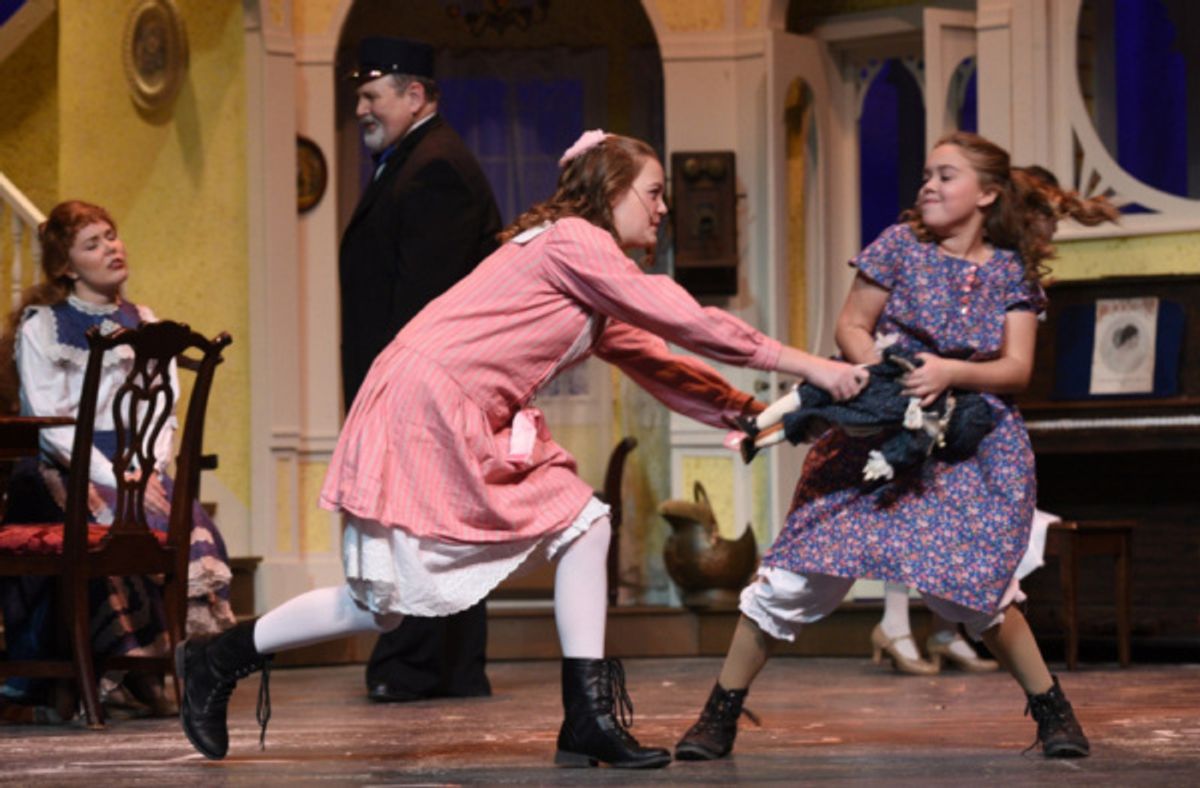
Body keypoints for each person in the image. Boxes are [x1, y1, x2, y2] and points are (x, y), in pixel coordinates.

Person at [174, 130, 867, 766]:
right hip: (428, 404)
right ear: (610, 188)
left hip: (451, 405)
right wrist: (812, 367)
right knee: (406, 592)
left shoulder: (589, 276)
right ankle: (216, 659)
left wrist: (754, 413)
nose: (663, 210)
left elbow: (660, 362)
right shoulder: (574, 240)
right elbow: (686, 318)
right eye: (653, 193)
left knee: (536, 541)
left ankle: (584, 717)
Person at [674, 132, 1119, 761]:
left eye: (947, 175)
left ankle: (1053, 713)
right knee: (794, 579)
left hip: (965, 445)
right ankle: (718, 715)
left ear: (988, 194)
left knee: (973, 592)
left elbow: (1016, 369)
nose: (929, 186)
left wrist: (947, 374)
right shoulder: (899, 246)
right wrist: (880, 376)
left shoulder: (1008, 273)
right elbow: (851, 324)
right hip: (876, 438)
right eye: (926, 175)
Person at [0, 200, 236, 722]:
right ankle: (118, 668)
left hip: (137, 463)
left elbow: (164, 410)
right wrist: (113, 477)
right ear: (66, 266)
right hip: (65, 464)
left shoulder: (147, 322)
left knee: (175, 521)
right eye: (93, 243)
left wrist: (147, 470)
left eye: (112, 235)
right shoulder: (44, 326)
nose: (112, 247)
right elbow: (51, 421)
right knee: (105, 526)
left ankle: (152, 669)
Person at [340, 36, 502, 705]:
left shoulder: (434, 168)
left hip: (419, 384)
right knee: (430, 522)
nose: (360, 109)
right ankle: (447, 668)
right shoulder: (414, 159)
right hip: (415, 382)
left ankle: (416, 663)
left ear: (415, 94)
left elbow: (424, 300)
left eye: (371, 95)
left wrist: (391, 389)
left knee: (422, 524)